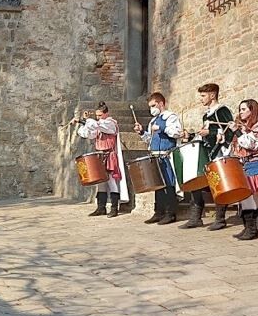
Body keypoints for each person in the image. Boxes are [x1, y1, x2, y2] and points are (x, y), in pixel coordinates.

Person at [182, 84, 234, 229]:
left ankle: (220, 219)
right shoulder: (206, 115)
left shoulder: (222, 111)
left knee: (217, 184)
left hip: (219, 152)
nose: (201, 99)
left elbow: (229, 131)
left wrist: (211, 134)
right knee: (197, 182)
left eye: (203, 96)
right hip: (207, 152)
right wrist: (192, 135)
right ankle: (196, 217)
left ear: (212, 95)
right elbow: (206, 134)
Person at [134, 92, 183, 225]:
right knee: (158, 185)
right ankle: (158, 212)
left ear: (161, 104)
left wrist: (162, 127)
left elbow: (177, 132)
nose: (152, 109)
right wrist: (142, 132)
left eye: (153, 105)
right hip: (155, 155)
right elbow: (150, 139)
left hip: (167, 155)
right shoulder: (152, 121)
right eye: (150, 107)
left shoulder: (170, 117)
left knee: (169, 184)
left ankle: (170, 213)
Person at [76, 102, 127, 217]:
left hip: (109, 155)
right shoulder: (99, 125)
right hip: (100, 156)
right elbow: (87, 134)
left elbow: (97, 125)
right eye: (97, 116)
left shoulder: (110, 124)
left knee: (111, 181)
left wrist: (86, 120)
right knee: (101, 183)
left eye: (100, 115)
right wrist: (81, 123)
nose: (98, 118)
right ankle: (101, 207)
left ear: (106, 113)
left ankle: (114, 208)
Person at [230, 99, 258, 240]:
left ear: (252, 110)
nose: (240, 112)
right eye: (240, 109)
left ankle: (252, 229)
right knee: (244, 197)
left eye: (243, 109)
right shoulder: (244, 127)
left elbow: (251, 144)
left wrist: (238, 132)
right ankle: (247, 227)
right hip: (243, 165)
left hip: (254, 165)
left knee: (250, 198)